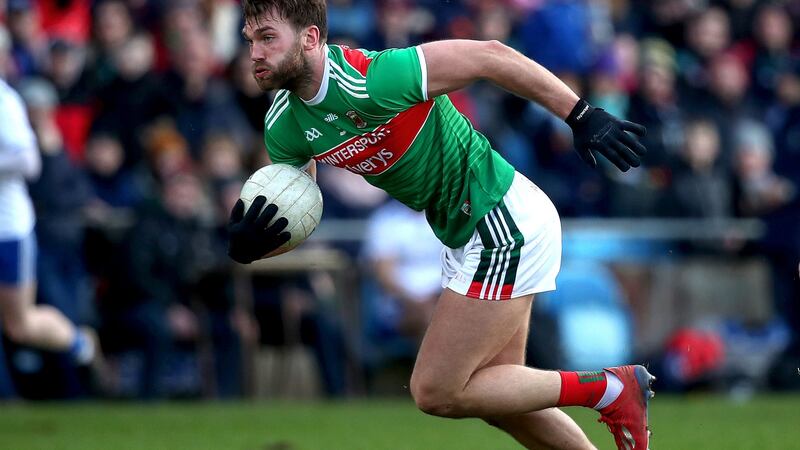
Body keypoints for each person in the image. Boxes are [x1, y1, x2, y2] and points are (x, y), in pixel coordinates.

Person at [227, 2, 652, 449]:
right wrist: (252, 246)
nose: (254, 52)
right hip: (470, 233)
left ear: (311, 38)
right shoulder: (283, 125)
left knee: (435, 390)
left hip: (500, 216)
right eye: (250, 40)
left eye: (268, 38)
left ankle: (609, 388)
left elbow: (490, 55)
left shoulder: (372, 77)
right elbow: (299, 212)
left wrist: (579, 115)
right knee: (498, 400)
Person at [0, 78, 99, 379]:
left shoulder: (5, 101)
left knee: (19, 325)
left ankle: (80, 342)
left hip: (7, 230)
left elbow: (28, 161)